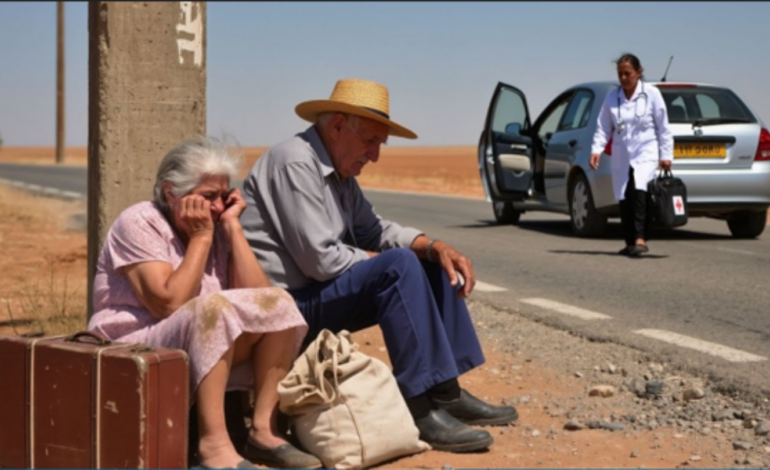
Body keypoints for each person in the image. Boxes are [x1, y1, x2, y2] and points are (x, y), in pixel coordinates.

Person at [240, 78, 519, 454]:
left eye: (379, 145)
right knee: (399, 266)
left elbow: (374, 230)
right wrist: (389, 261)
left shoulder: (339, 174)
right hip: (285, 308)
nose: (375, 156)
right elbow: (322, 260)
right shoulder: (295, 162)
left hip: (314, 296)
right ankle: (418, 406)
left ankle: (445, 392)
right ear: (337, 126)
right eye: (370, 141)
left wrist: (433, 246)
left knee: (427, 260)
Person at [87, 136, 323, 470]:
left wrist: (232, 227)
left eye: (223, 196)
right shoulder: (139, 222)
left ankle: (263, 432)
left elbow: (261, 301)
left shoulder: (218, 224)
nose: (216, 206)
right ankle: (213, 445)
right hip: (135, 344)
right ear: (172, 193)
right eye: (208, 196)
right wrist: (201, 238)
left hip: (196, 339)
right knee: (213, 308)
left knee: (279, 303)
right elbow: (167, 304)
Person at [589, 53, 674, 257]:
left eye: (628, 74)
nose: (624, 78)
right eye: (620, 74)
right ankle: (629, 241)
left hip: (646, 149)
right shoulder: (612, 97)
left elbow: (663, 127)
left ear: (638, 72)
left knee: (640, 190)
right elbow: (603, 127)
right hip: (621, 151)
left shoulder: (652, 94)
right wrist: (596, 150)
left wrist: (666, 154)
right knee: (624, 194)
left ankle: (640, 238)